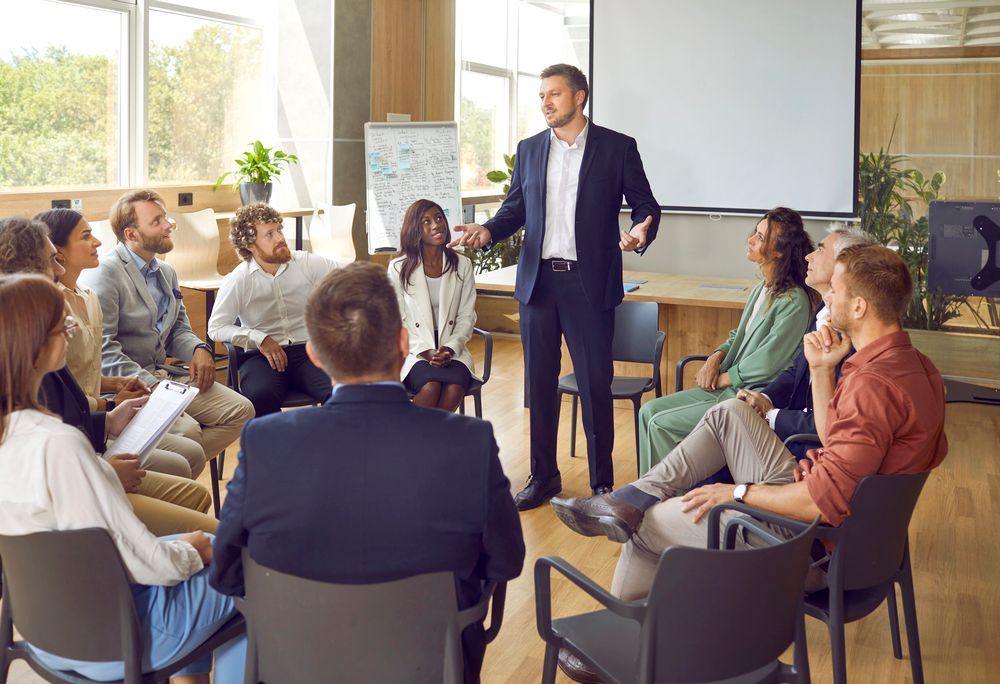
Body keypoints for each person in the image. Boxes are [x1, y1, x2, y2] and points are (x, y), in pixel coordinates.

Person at [550, 245, 948, 683]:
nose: (826, 299)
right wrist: (820, 371)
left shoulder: (871, 384)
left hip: (811, 547)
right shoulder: (916, 367)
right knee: (731, 413)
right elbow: (843, 445)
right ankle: (633, 495)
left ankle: (629, 652)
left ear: (859, 305)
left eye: (833, 290)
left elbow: (821, 504)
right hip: (862, 540)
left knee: (645, 530)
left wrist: (736, 493)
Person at [210, 262, 525, 683]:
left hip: (296, 665)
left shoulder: (264, 443)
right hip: (431, 665)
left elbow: (227, 573)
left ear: (315, 355)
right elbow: (506, 561)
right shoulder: (469, 442)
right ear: (402, 342)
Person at [0, 273, 245, 683]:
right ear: (37, 343)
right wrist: (192, 553)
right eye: (63, 324)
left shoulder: (13, 437)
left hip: (47, 632)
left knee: (207, 548)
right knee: (243, 565)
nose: (72, 330)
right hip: (111, 638)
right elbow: (152, 567)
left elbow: (98, 548)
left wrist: (183, 548)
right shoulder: (60, 446)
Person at [451, 63, 660, 509]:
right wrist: (487, 231)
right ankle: (543, 476)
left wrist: (641, 229)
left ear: (579, 97)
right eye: (541, 96)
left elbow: (645, 204)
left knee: (594, 384)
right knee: (539, 385)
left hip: (589, 285)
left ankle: (603, 485)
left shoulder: (617, 148)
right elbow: (516, 207)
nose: (545, 102)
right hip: (539, 284)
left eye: (554, 94)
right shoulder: (529, 150)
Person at [0, 216, 217, 536]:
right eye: (52, 261)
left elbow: (72, 407)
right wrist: (106, 472)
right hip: (75, 501)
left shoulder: (38, 352)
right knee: (214, 534)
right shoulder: (27, 371)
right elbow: (44, 474)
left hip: (86, 467)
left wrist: (109, 417)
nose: (58, 270)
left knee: (193, 482)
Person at [634, 207, 817, 474]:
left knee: (662, 424)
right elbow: (738, 336)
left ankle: (660, 501)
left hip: (747, 393)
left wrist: (722, 377)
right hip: (727, 387)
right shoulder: (762, 289)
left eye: (760, 237)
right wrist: (715, 357)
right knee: (648, 412)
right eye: (755, 232)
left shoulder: (793, 301)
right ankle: (644, 493)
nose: (751, 240)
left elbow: (768, 362)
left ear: (778, 251)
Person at [79, 190, 254, 464]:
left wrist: (198, 349)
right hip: (130, 387)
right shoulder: (106, 274)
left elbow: (177, 330)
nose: (168, 225)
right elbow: (105, 352)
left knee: (241, 410)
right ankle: (171, 473)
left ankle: (176, 470)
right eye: (157, 221)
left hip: (167, 377)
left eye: (165, 218)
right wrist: (154, 385)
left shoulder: (166, 271)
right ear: (132, 235)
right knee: (190, 434)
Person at [37, 208, 208, 478]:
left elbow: (84, 371)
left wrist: (114, 384)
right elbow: (60, 392)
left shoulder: (88, 295)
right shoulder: (50, 307)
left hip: (103, 405)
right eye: (86, 236)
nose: (98, 242)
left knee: (193, 450)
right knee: (184, 454)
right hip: (85, 421)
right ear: (59, 251)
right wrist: (111, 403)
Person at [736, 225, 877, 459]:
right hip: (789, 433)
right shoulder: (822, 310)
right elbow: (796, 370)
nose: (808, 255)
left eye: (820, 250)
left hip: (804, 453)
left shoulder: (856, 340)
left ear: (843, 266)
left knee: (725, 420)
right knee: (726, 420)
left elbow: (834, 429)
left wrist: (772, 415)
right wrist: (765, 399)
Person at [207, 203, 336, 416]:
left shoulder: (305, 263)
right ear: (250, 245)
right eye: (269, 234)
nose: (280, 238)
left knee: (342, 392)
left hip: (308, 350)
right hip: (261, 356)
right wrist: (259, 338)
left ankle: (329, 447)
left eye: (279, 230)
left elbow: (350, 276)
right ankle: (276, 447)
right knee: (260, 396)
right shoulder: (239, 280)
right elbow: (216, 327)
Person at [389, 199, 478, 411]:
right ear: (414, 230)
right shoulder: (398, 267)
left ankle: (428, 442)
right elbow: (395, 321)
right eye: (426, 221)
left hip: (452, 348)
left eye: (439, 218)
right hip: (414, 350)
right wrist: (426, 351)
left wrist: (449, 348)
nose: (436, 224)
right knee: (430, 387)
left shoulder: (462, 264)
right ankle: (417, 441)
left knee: (454, 389)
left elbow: (467, 316)